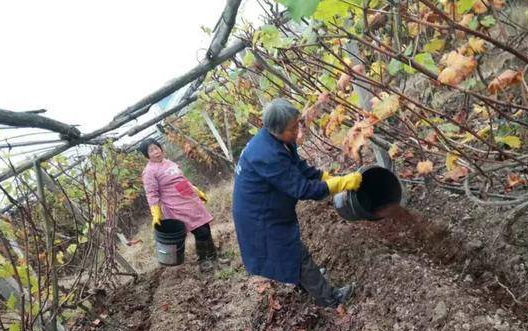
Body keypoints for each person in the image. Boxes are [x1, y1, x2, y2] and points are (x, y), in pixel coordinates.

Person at [232, 98, 362, 307]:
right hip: (258, 217)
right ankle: (329, 298)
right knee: (294, 253)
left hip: (265, 207)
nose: (297, 131)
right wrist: (340, 184)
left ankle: (308, 281)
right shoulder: (267, 154)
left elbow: (298, 167)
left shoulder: (277, 141)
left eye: (298, 124)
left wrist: (323, 177)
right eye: (292, 128)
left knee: (291, 254)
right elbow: (301, 188)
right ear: (275, 129)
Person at [140, 138, 218, 272]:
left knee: (205, 226)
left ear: (161, 148)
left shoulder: (168, 162)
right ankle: (204, 261)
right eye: (151, 150)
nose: (155, 152)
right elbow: (151, 194)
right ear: (147, 155)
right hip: (176, 205)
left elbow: (182, 180)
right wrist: (156, 212)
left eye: (156, 148)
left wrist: (196, 191)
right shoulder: (149, 172)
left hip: (189, 200)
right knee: (200, 231)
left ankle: (214, 256)